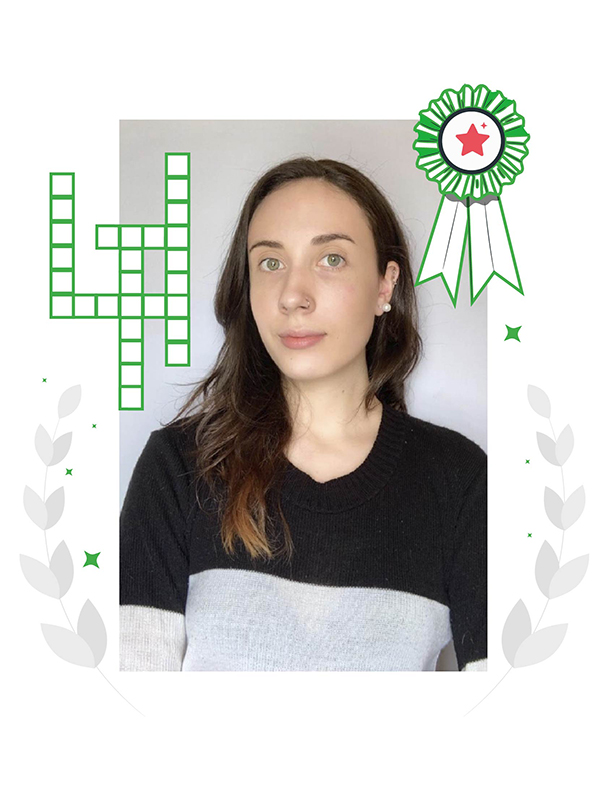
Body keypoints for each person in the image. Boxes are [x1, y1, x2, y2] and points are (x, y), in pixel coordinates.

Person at [119, 157, 487, 672]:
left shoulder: (459, 482)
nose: (293, 296)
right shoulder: (178, 468)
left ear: (385, 285)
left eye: (331, 259)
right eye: (270, 263)